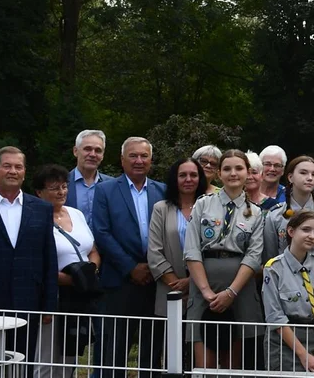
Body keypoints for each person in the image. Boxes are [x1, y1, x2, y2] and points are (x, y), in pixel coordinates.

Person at [184, 149, 265, 370]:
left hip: (239, 289)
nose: (233, 173)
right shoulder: (203, 205)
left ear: (248, 173)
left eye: (239, 168)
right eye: (227, 168)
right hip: (204, 287)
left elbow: (254, 256)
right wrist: (206, 291)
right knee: (204, 364)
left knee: (233, 365)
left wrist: (231, 293)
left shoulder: (256, 213)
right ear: (219, 173)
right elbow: (191, 250)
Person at [92, 137, 167, 378]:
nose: (139, 160)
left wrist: (154, 267)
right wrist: (130, 267)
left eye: (144, 156)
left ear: (151, 160)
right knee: (113, 349)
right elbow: (101, 233)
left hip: (155, 281)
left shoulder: (162, 190)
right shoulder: (105, 190)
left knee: (153, 347)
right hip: (119, 280)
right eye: (133, 156)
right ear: (122, 160)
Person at [32, 164, 99, 378]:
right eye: (54, 188)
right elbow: (34, 263)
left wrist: (90, 273)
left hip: (79, 295)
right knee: (46, 357)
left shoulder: (76, 214)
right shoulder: (33, 219)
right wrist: (70, 280)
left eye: (63, 186)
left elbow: (93, 249)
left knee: (70, 356)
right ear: (39, 192)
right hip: (53, 295)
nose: (61, 192)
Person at [261, 210, 314, 372]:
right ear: (291, 231)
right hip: (284, 342)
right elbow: (275, 317)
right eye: (306, 230)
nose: (312, 236)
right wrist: (303, 355)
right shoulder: (274, 268)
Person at [149, 159, 204, 330]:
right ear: (175, 179)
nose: (188, 179)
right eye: (182, 175)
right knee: (173, 349)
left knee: (200, 347)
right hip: (170, 289)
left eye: (193, 175)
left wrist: (192, 282)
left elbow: (214, 250)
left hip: (204, 288)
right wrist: (177, 285)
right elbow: (154, 252)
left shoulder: (210, 207)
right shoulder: (161, 209)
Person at [263, 156, 314, 263]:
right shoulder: (275, 215)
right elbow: (270, 258)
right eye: (303, 173)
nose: (310, 178)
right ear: (290, 177)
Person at [68, 129, 112, 226]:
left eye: (98, 150)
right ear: (75, 151)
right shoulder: (62, 183)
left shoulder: (113, 186)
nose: (92, 154)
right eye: (87, 149)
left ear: (103, 155)